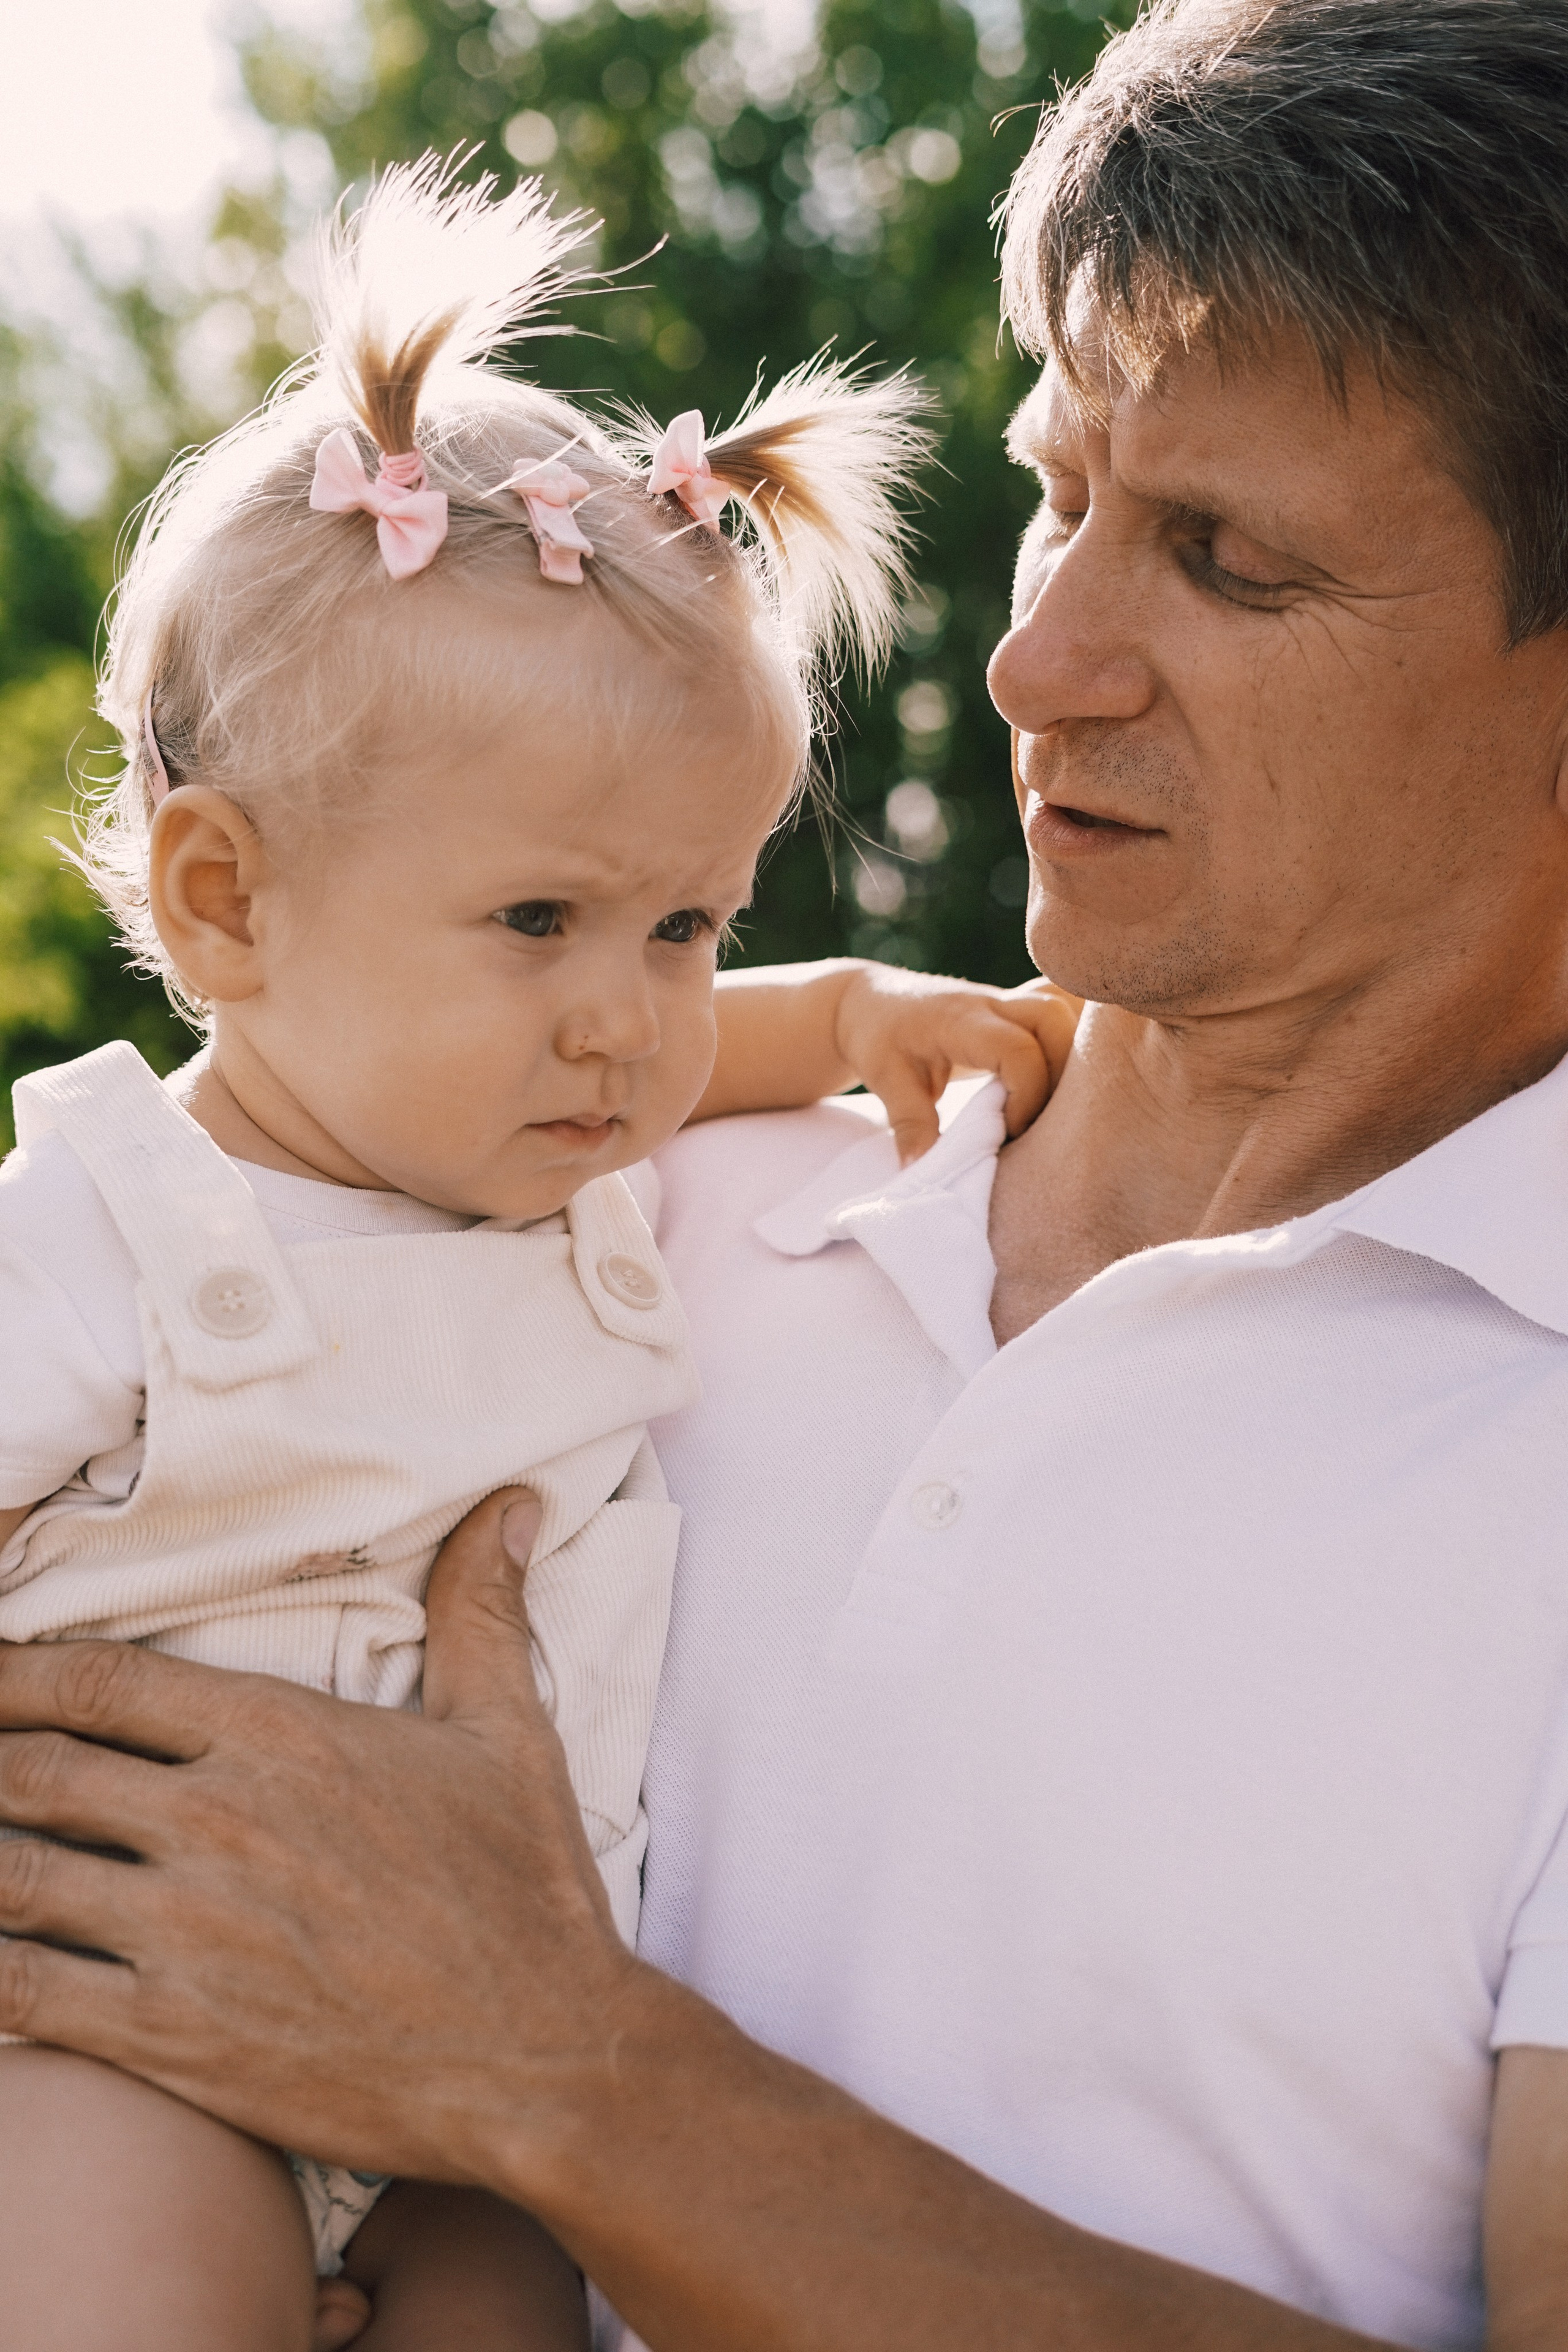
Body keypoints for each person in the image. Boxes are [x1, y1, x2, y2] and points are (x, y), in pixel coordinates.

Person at [10, 0, 1568, 2344]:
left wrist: (565, 2077)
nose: (1038, 662)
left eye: (1228, 558)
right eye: (1058, 491)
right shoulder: (568, 1184)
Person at [0, 154, 1077, 2351]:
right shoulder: (115, 1232)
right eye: (537, 920)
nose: (630, 1020)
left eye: (687, 922)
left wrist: (848, 1019)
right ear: (226, 903)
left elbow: (704, 1052)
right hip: (119, 2028)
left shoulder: (574, 1164)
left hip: (487, 2101)